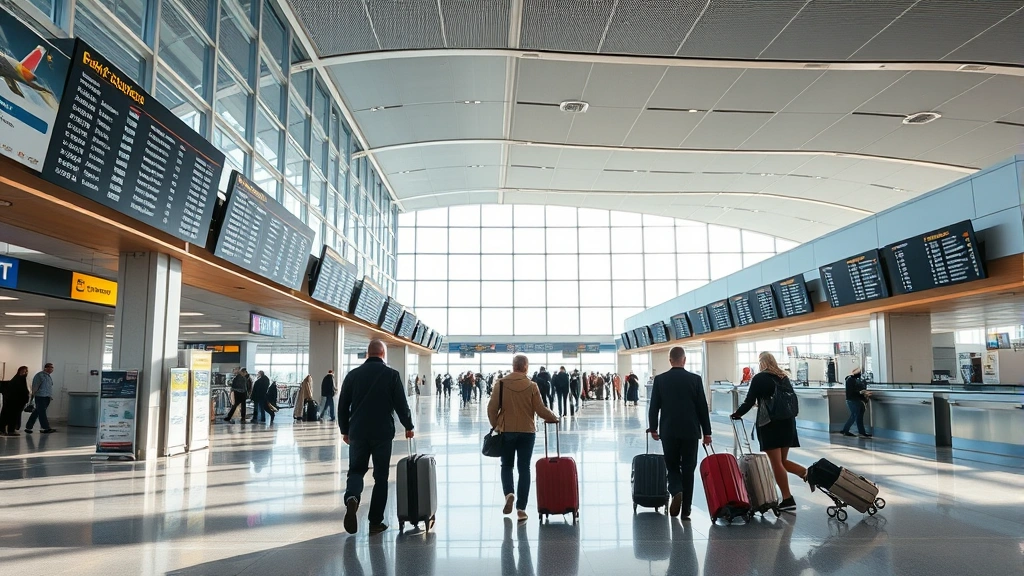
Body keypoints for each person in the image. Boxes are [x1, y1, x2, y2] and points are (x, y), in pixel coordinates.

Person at [340, 339, 415, 535]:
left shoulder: (353, 375)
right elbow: (401, 405)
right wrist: (408, 426)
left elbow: (342, 405)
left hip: (357, 431)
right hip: (382, 433)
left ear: (368, 354)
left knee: (356, 470)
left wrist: (344, 430)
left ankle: (352, 498)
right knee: (381, 477)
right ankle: (375, 522)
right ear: (383, 354)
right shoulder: (391, 375)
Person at [730, 351, 807, 512]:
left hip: (770, 424)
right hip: (788, 423)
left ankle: (787, 498)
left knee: (776, 462)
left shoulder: (759, 378)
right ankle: (807, 474)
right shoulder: (783, 377)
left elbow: (750, 401)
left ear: (761, 362)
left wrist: (737, 414)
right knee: (783, 461)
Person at [487, 354, 559, 523]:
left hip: (506, 431)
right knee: (524, 468)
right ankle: (521, 509)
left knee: (506, 465)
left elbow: (491, 408)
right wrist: (553, 417)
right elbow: (540, 409)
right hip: (527, 431)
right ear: (526, 367)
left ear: (513, 366)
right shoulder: (531, 385)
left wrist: (496, 425)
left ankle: (509, 493)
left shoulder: (501, 383)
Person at [648, 347, 712, 519]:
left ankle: (676, 490)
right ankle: (686, 510)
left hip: (669, 431)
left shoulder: (660, 380)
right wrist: (707, 432)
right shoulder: (695, 380)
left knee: (672, 465)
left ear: (670, 360)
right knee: (689, 468)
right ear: (684, 360)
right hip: (691, 431)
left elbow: (654, 406)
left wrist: (653, 427)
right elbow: (702, 408)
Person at [25, 362, 57, 434]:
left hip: (47, 397)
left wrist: (50, 396)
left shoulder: (48, 376)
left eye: (52, 368)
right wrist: (32, 397)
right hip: (40, 396)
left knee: (37, 412)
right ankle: (46, 427)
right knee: (42, 412)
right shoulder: (39, 375)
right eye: (50, 367)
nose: (52, 369)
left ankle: (28, 427)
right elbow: (35, 386)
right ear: (46, 368)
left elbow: (48, 387)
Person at [841, 367, 872, 438]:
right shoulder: (851, 380)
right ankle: (846, 430)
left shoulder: (852, 380)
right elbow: (851, 392)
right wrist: (861, 392)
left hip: (857, 400)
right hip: (853, 400)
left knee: (858, 416)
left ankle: (861, 432)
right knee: (855, 416)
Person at [1, 366, 30, 436]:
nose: (25, 373)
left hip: (15, 402)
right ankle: (10, 430)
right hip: (14, 402)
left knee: (9, 416)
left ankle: (6, 430)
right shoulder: (18, 380)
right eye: (23, 371)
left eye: (26, 371)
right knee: (11, 416)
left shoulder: (19, 380)